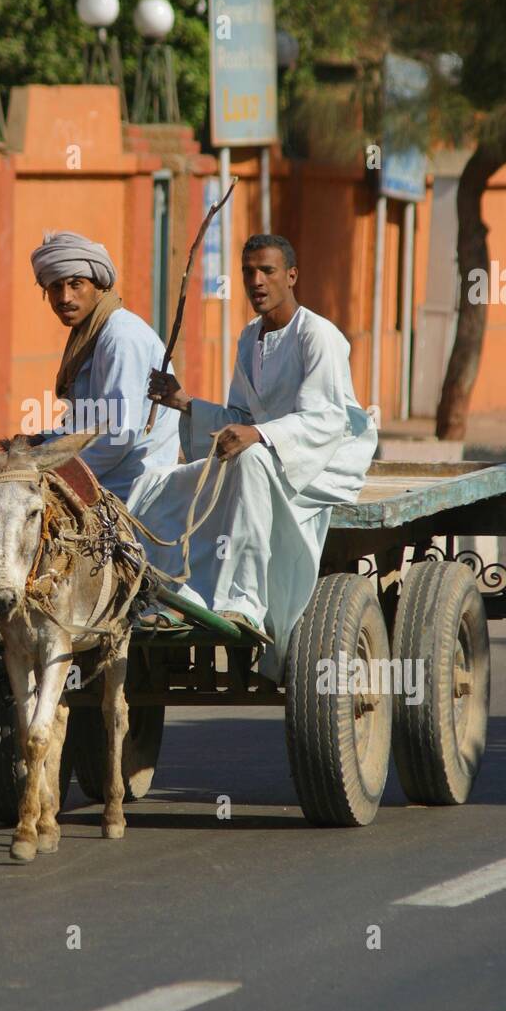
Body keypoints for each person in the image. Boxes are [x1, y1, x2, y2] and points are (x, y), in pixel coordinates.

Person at [134, 232, 378, 683]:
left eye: (267, 271)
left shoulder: (318, 335)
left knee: (248, 462)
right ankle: (172, 595)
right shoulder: (250, 338)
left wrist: (258, 435)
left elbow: (326, 419)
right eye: (249, 272)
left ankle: (243, 603)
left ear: (292, 275)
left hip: (325, 459)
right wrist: (185, 403)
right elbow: (241, 415)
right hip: (269, 452)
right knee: (168, 483)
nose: (257, 281)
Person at [0, 230, 180, 504]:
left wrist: (44, 469)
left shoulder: (120, 337)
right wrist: (42, 440)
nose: (65, 297)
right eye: (56, 287)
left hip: (126, 483)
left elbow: (118, 438)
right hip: (95, 468)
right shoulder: (89, 333)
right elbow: (84, 424)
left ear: (98, 285)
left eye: (76, 284)